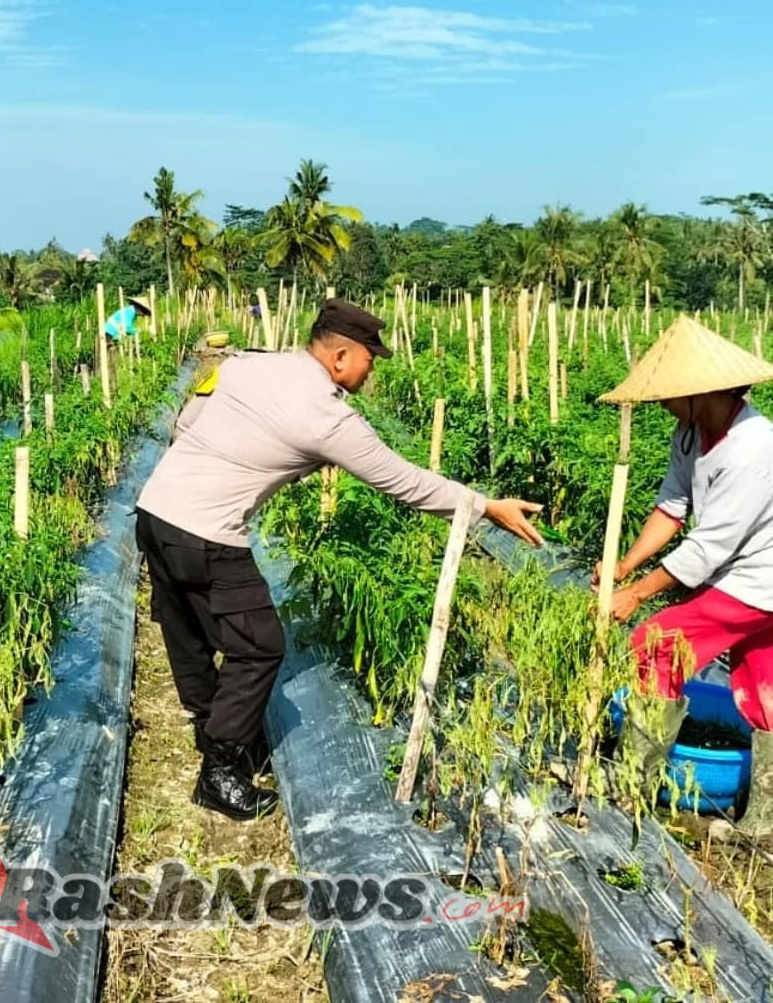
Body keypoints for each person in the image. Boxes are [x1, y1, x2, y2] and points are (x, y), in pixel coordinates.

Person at [134, 298, 544, 822]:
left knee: (186, 626)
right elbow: (405, 482)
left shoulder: (248, 364)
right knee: (260, 647)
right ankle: (220, 771)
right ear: (343, 355)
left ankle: (211, 725)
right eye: (371, 360)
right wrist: (485, 506)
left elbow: (189, 418)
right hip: (206, 532)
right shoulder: (327, 418)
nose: (372, 373)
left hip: (155, 508)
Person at [596, 313, 773, 839]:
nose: (662, 404)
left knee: (656, 641)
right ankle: (763, 820)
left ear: (704, 392)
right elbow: (672, 509)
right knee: (761, 684)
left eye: (671, 394)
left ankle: (632, 783)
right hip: (743, 576)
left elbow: (706, 547)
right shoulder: (691, 432)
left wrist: (634, 595)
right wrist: (623, 566)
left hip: (756, 580)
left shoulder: (754, 450)